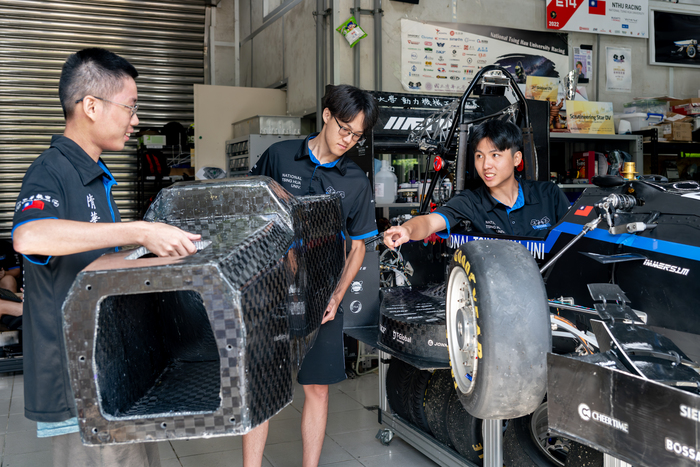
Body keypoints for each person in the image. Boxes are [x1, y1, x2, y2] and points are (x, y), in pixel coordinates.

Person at [12, 48, 201, 467]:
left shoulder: (96, 177)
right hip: (79, 378)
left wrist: (157, 256)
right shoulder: (51, 169)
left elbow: (96, 265)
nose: (136, 120)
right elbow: (29, 236)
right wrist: (138, 230)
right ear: (91, 106)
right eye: (130, 107)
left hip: (113, 367)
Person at [244, 84, 379, 467]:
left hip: (321, 297)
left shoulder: (355, 181)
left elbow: (358, 246)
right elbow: (252, 214)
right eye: (343, 129)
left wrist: (336, 296)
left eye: (356, 135)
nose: (347, 141)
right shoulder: (279, 156)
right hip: (268, 291)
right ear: (325, 115)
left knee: (317, 388)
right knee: (262, 387)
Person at [384, 120, 569, 248]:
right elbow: (429, 222)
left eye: (495, 155)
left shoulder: (549, 195)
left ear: (516, 158)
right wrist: (407, 229)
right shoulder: (470, 202)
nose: (486, 165)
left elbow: (575, 240)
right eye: (479, 156)